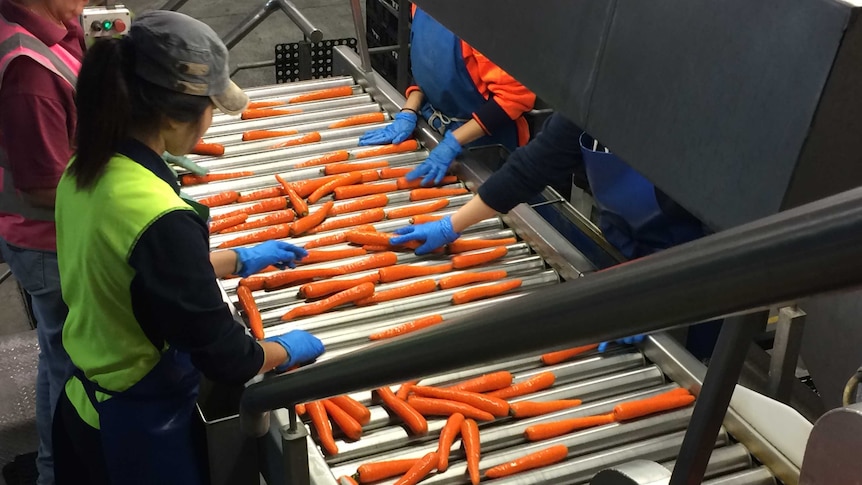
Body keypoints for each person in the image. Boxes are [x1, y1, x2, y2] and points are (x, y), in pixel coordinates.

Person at [51, 11, 324, 485]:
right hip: (138, 435)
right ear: (174, 115)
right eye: (212, 106)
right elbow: (227, 358)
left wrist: (231, 260)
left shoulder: (85, 168)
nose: (212, 118)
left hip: (82, 408)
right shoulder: (162, 218)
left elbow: (124, 271)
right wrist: (283, 349)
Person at [390, 113, 711, 351]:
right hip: (619, 251)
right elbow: (531, 167)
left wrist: (658, 295)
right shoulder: (597, 102)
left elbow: (729, 236)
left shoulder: (705, 133)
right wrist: (452, 225)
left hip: (701, 277)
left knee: (686, 367)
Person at [0, 0, 86, 482]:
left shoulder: (59, 26)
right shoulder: (28, 73)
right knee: (71, 367)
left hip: (52, 234)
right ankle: (58, 473)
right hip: (49, 243)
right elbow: (41, 184)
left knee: (58, 359)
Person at [358, 5, 536, 187]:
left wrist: (453, 142)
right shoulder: (420, 8)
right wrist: (409, 110)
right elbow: (430, 70)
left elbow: (515, 97)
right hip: (434, 131)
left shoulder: (486, 21)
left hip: (485, 147)